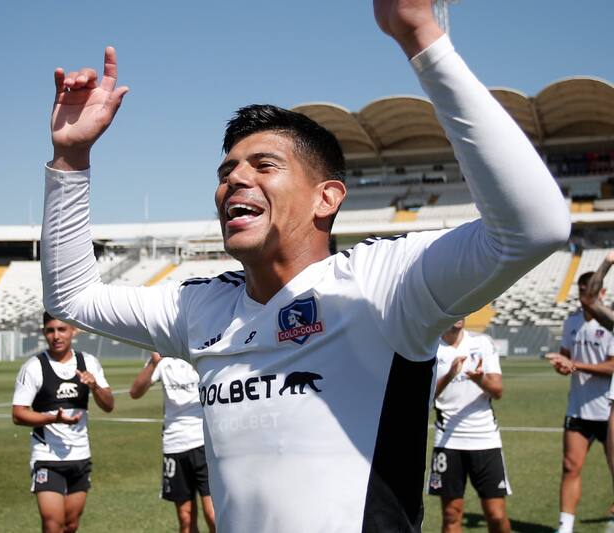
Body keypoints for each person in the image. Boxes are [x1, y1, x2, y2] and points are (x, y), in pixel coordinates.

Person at [40, 1, 571, 530]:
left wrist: (421, 38)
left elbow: (535, 226)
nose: (235, 180)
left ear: (326, 198)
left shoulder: (380, 285)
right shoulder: (200, 308)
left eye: (264, 165)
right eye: (226, 172)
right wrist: (70, 158)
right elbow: (72, 298)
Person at [12, 312, 115, 533]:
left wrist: (95, 386)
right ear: (43, 333)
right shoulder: (34, 367)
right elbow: (18, 414)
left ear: (73, 331)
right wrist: (53, 419)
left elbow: (108, 405)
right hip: (47, 457)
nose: (56, 336)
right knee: (53, 525)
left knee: (71, 524)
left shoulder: (88, 363)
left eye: (62, 329)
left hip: (80, 455)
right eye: (50, 331)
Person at [428, 319, 510, 533]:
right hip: (448, 440)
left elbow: (497, 391)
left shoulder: (482, 342)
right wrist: (449, 375)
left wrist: (479, 380)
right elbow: (427, 397)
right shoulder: (431, 346)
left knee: (496, 514)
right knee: (451, 514)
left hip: (485, 438)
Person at [547, 270, 614, 533]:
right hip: (578, 407)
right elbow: (566, 357)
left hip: (607, 409)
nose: (584, 296)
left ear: (602, 293)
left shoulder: (609, 323)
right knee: (570, 466)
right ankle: (565, 527)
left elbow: (612, 367)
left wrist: (575, 364)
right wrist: (562, 366)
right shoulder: (571, 322)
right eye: (581, 291)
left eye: (591, 291)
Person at [130, 352, 216, 533]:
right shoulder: (162, 357)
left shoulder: (198, 352)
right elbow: (135, 392)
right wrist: (153, 364)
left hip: (204, 442)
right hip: (174, 443)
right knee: (185, 518)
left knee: (213, 515)